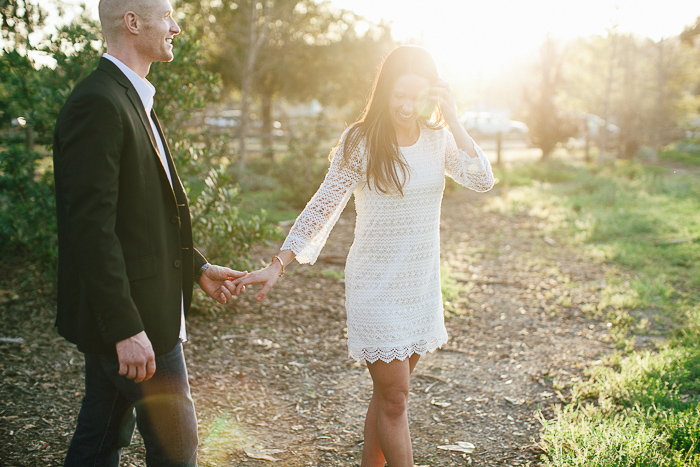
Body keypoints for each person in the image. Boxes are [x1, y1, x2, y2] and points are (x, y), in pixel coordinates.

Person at [232, 45, 495, 467]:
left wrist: (457, 121)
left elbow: (483, 179)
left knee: (388, 395)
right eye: (399, 95)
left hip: (419, 286)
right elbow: (323, 204)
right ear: (384, 90)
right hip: (376, 287)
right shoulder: (361, 141)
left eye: (418, 96)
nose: (407, 106)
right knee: (396, 399)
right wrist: (278, 262)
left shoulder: (438, 139)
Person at [53, 0, 245, 465]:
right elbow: (89, 229)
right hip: (137, 322)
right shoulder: (98, 102)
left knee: (99, 442)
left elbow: (139, 215)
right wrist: (125, 329)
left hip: (140, 312)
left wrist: (196, 266)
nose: (176, 26)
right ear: (133, 22)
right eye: (168, 15)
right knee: (176, 451)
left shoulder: (130, 95)